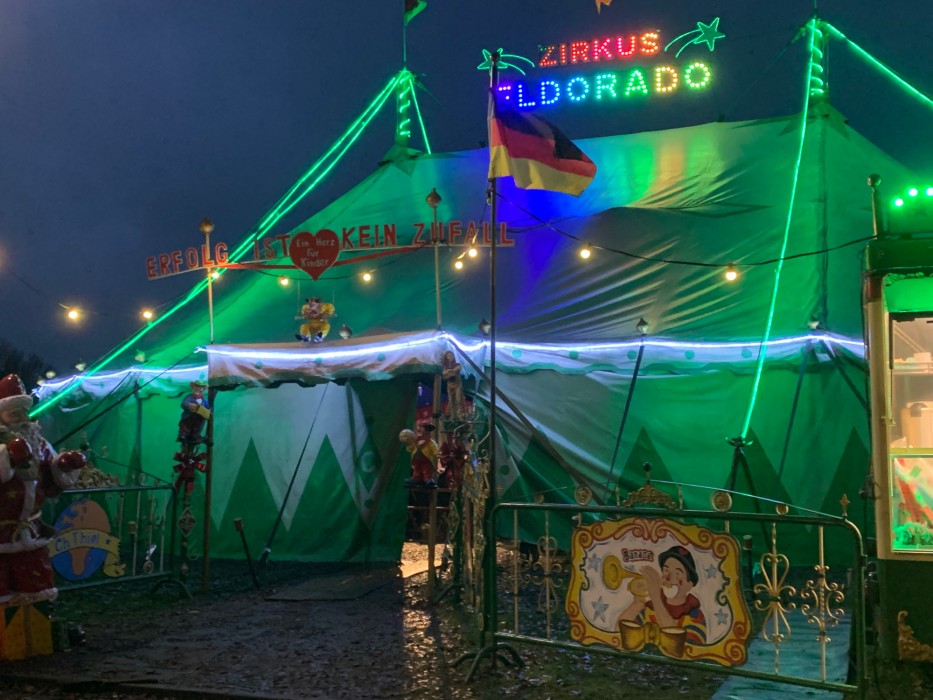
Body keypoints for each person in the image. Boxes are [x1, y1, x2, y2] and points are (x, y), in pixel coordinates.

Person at [0, 374, 85, 606]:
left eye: (23, 412)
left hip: (31, 534)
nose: (21, 418)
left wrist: (63, 465)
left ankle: (34, 627)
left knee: (37, 590)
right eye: (13, 413)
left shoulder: (40, 445)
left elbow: (52, 483)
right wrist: (8, 455)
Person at [619, 544, 707, 645]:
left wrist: (656, 598)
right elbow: (619, 634)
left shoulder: (695, 615)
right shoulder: (648, 610)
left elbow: (684, 646)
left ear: (689, 585)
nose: (668, 578)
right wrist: (637, 603)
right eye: (666, 570)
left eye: (677, 573)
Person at [400, 422, 439, 488]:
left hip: (426, 459)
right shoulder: (417, 439)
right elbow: (413, 447)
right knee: (417, 469)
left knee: (427, 469)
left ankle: (428, 479)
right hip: (417, 459)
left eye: (422, 427)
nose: (420, 429)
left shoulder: (430, 441)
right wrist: (409, 445)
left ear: (427, 429)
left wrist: (436, 453)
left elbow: (434, 449)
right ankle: (416, 478)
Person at [177, 380, 212, 448]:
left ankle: (194, 437)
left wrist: (208, 411)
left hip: (199, 417)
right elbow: (184, 404)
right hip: (189, 416)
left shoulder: (204, 400)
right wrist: (189, 405)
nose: (198, 389)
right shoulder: (189, 397)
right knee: (186, 425)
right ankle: (183, 435)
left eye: (201, 387)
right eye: (197, 386)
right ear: (193, 387)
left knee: (197, 427)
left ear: (203, 389)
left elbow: (207, 407)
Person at [441, 351, 465, 420]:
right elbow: (444, 374)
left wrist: (449, 372)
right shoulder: (445, 366)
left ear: (453, 356)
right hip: (449, 384)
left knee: (458, 400)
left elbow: (455, 371)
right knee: (451, 401)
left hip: (457, 384)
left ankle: (460, 416)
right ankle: (453, 417)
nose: (450, 357)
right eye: (448, 356)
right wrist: (449, 372)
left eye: (451, 355)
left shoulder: (457, 364)